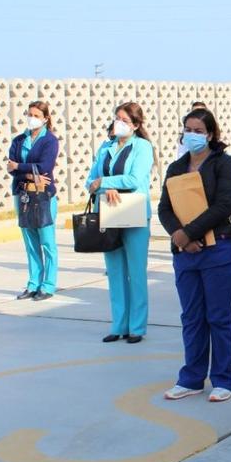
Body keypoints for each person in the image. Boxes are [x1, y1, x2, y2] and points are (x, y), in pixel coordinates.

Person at [159, 109, 231, 403]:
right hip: (186, 253)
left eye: (198, 130)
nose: (191, 135)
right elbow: (164, 208)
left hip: (217, 249)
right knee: (191, 317)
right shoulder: (176, 167)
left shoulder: (224, 163)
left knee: (218, 317)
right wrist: (179, 236)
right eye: (188, 129)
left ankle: (223, 379)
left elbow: (225, 204)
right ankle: (191, 378)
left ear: (210, 134)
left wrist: (190, 232)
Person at [86, 102, 153, 344]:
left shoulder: (142, 146)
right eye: (117, 118)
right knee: (115, 272)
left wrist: (105, 182)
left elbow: (134, 178)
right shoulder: (106, 146)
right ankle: (119, 324)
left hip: (134, 212)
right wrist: (102, 186)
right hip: (109, 212)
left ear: (135, 125)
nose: (119, 123)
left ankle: (137, 327)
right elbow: (90, 180)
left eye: (124, 120)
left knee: (136, 272)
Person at [7, 101, 59, 301]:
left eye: (36, 115)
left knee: (47, 241)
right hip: (22, 194)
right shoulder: (19, 140)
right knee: (30, 241)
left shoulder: (50, 141)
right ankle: (33, 283)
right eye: (29, 114)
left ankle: (48, 284)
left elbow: (45, 167)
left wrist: (19, 167)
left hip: (43, 195)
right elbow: (10, 167)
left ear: (45, 118)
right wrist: (29, 174)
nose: (32, 118)